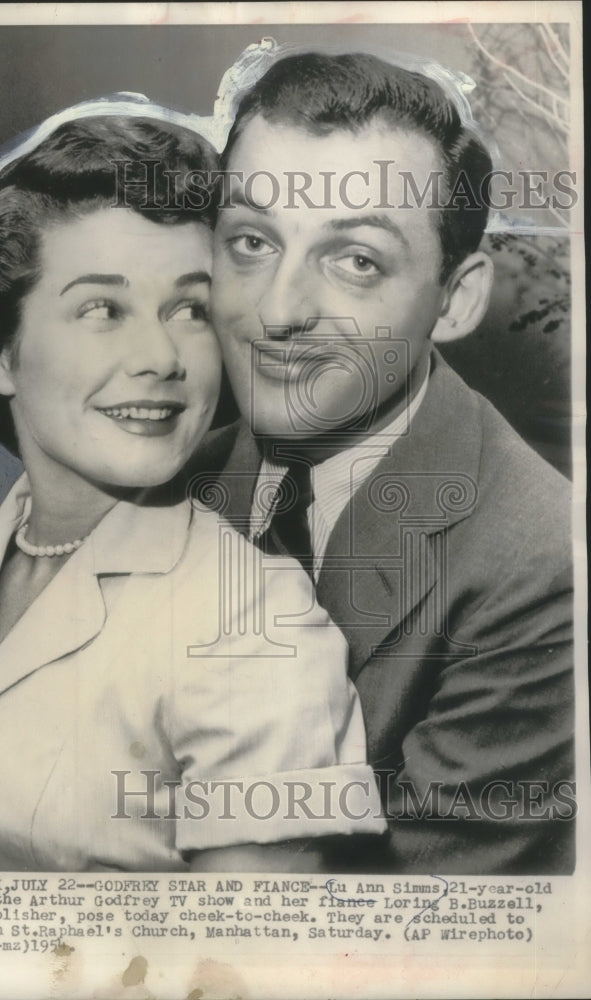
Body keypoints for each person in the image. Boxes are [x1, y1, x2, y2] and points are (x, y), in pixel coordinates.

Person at [0, 111, 386, 872]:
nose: (160, 357)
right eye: (102, 308)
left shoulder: (257, 621)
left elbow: (251, 967)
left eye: (191, 310)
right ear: (2, 354)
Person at [194, 51, 575, 873]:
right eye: (253, 241)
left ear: (454, 298)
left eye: (356, 260)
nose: (277, 311)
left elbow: (393, 935)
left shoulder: (541, 564)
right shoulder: (158, 480)